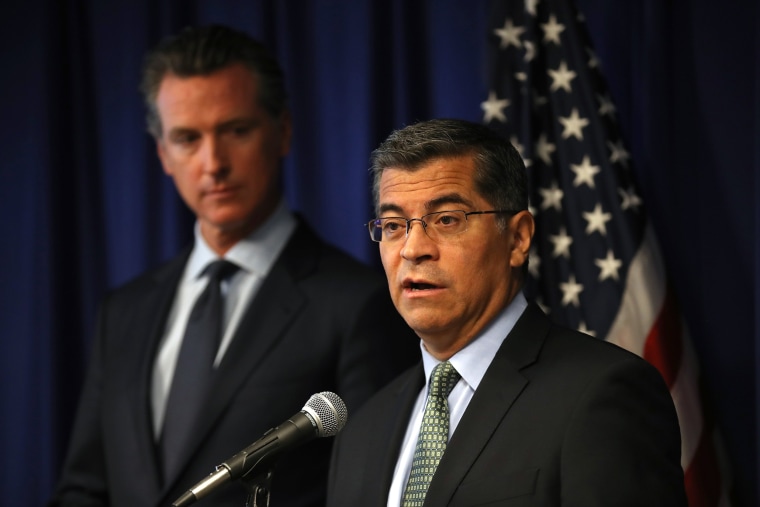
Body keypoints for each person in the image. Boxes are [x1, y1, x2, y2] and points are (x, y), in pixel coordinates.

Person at [49, 25, 417, 507]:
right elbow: (84, 490)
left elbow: (372, 491)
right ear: (163, 154)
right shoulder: (124, 311)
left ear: (282, 131)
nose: (213, 163)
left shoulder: (357, 303)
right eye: (187, 138)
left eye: (236, 131)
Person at [326, 118, 687, 506]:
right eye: (394, 225)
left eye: (447, 219)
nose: (413, 249)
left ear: (517, 238)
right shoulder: (361, 431)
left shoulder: (601, 395)